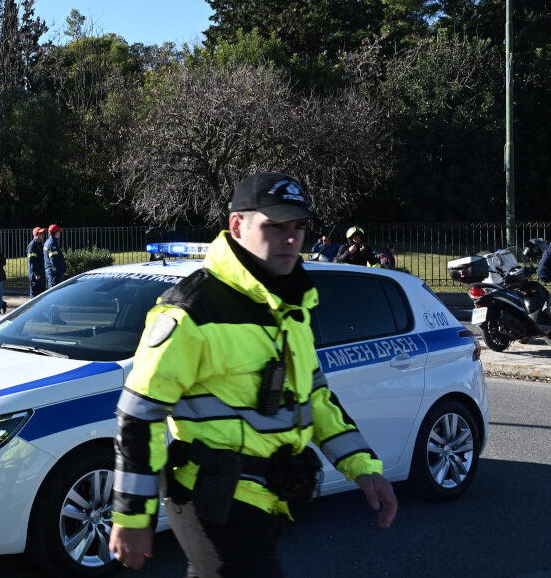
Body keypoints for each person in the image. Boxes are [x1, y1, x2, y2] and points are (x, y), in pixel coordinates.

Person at [109, 172, 397, 576]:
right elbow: (139, 416)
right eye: (275, 226)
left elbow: (316, 401)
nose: (291, 238)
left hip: (272, 498)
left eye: (297, 227)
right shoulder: (192, 311)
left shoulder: (291, 306)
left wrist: (364, 469)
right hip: (212, 499)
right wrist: (133, 517)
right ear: (237, 225)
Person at [44, 224, 67, 288]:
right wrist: (58, 272)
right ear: (56, 233)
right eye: (59, 231)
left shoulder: (48, 242)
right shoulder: (52, 243)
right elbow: (54, 260)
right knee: (54, 292)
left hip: (52, 273)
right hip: (54, 275)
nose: (60, 233)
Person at [27, 227, 47, 297]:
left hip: (40, 273)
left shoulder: (39, 244)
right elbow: (32, 261)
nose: (43, 235)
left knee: (41, 294)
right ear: (36, 235)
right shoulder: (32, 246)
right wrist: (36, 273)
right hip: (36, 275)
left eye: (43, 233)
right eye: (41, 233)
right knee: (35, 295)